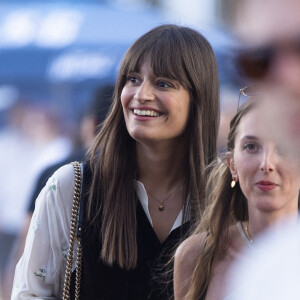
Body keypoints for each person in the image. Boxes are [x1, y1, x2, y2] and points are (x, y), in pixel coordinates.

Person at [12, 24, 220, 300]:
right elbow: (30, 293)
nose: (141, 94)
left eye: (163, 83)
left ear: (198, 98)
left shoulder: (228, 194)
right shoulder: (72, 186)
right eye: (133, 79)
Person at [174, 97, 300, 300]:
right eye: (251, 147)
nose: (266, 163)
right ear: (232, 165)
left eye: (284, 148)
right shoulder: (196, 255)